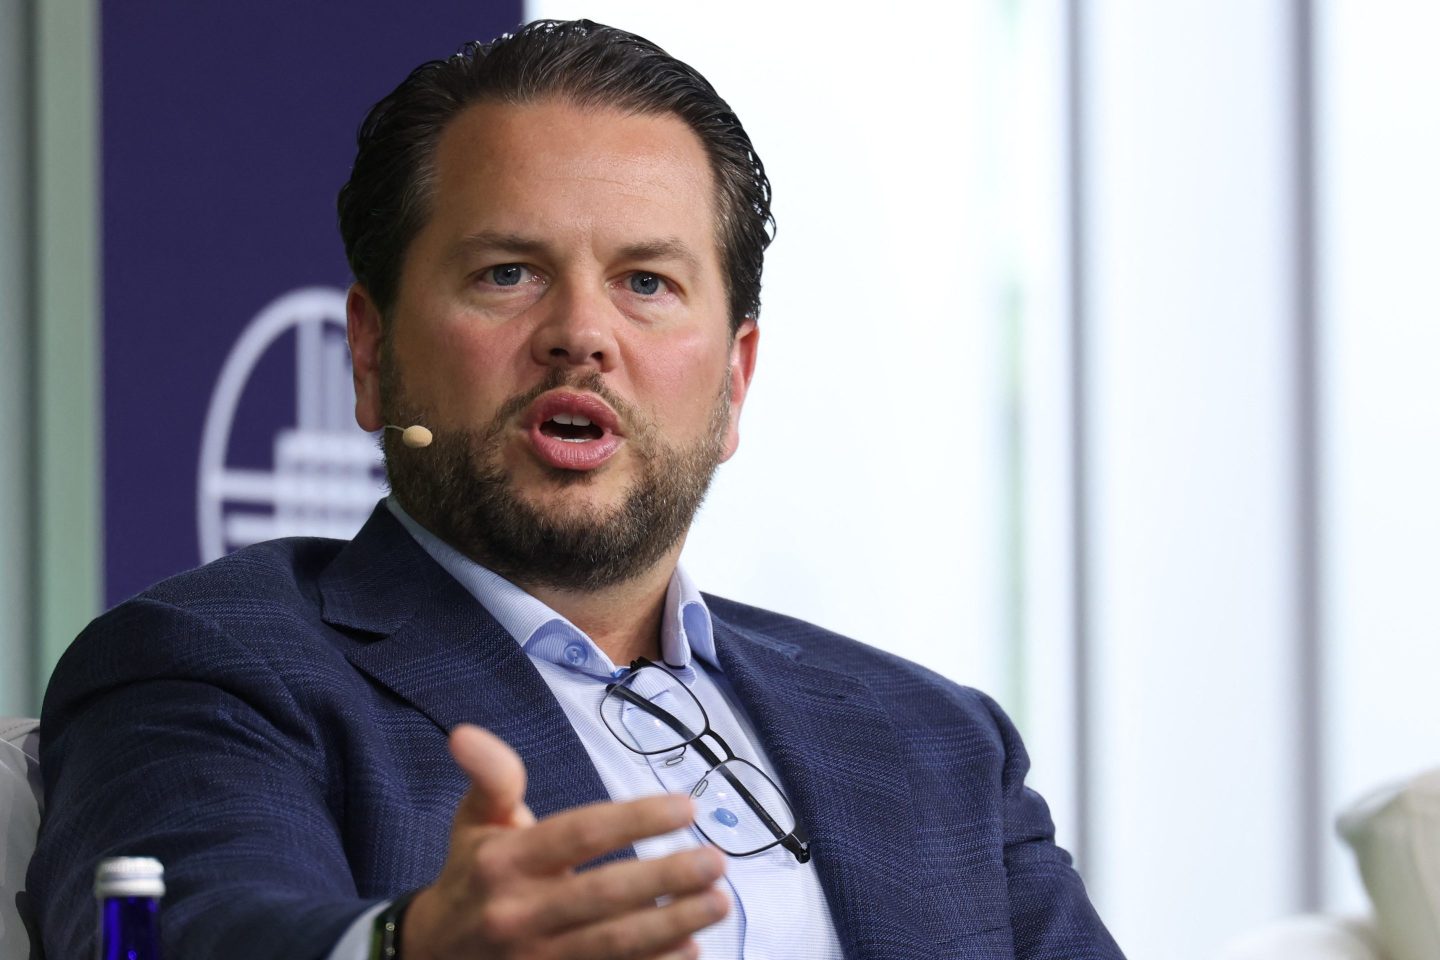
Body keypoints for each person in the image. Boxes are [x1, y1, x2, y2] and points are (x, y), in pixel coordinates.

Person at [29, 19, 1124, 960]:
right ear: (371, 356)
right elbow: (180, 927)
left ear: (734, 381)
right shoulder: (217, 667)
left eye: (647, 283)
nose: (582, 337)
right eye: (508, 273)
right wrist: (406, 947)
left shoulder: (936, 739)